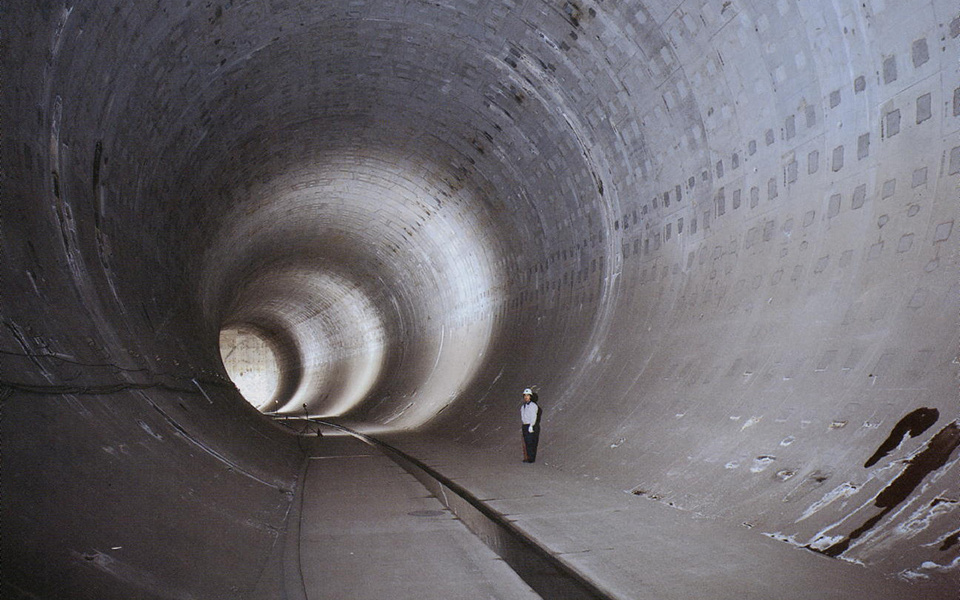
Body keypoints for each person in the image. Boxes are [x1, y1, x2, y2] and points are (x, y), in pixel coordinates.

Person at [520, 388, 541, 463]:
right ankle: (528, 457)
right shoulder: (523, 406)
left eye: (528, 395)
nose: (526, 397)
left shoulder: (533, 406)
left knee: (531, 442)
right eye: (525, 395)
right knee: (526, 442)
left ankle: (531, 458)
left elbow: (533, 416)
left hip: (531, 425)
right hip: (525, 425)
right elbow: (523, 416)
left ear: (530, 396)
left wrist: (531, 425)